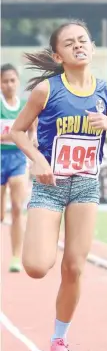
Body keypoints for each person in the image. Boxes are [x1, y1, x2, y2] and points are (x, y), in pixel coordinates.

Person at [11, 20, 107, 351]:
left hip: (86, 186)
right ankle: (43, 237)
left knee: (74, 267)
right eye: (71, 43)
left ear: (92, 47)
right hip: (50, 186)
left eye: (84, 41)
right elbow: (17, 131)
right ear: (58, 55)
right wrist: (38, 160)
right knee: (36, 266)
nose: (79, 46)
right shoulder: (47, 90)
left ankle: (59, 341)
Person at [0, 63, 36, 273]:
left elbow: (32, 130)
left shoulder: (24, 106)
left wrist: (27, 148)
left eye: (13, 80)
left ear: (18, 82)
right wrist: (9, 136)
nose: (9, 84)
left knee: (16, 208)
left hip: (17, 159)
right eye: (5, 81)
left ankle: (15, 256)